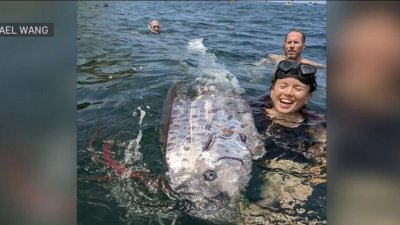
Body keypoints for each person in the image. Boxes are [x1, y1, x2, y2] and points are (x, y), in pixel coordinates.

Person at [259, 28, 325, 68]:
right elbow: (256, 68)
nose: (292, 46)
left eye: (296, 42)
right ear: (284, 45)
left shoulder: (309, 65)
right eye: (289, 42)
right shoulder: (274, 58)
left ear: (303, 46)